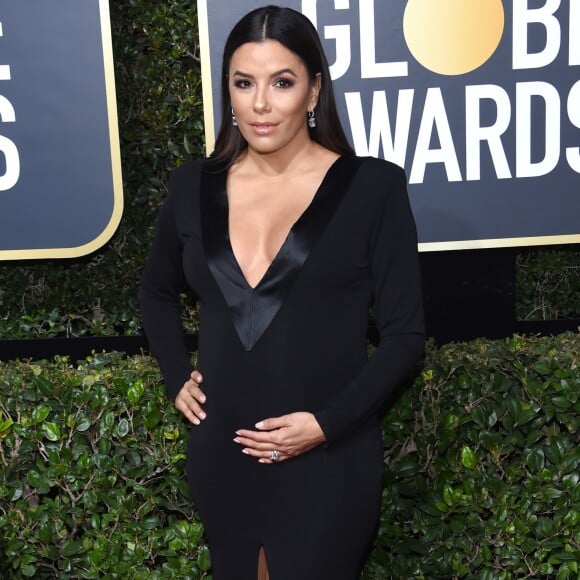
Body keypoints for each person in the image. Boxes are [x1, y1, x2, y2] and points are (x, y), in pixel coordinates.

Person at [140, 5, 424, 579]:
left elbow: (404, 336)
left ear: (314, 89)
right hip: (224, 453)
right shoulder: (192, 186)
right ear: (228, 92)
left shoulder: (373, 188)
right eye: (244, 83)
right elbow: (155, 291)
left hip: (327, 458)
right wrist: (177, 375)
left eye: (282, 82)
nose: (261, 104)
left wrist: (325, 424)